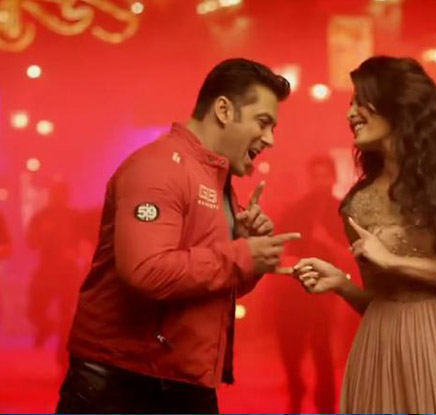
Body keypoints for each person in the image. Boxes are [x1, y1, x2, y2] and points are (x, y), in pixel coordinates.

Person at [55, 58, 300, 414]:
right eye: (263, 123)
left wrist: (246, 253)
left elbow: (210, 285)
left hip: (179, 380)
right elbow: (146, 271)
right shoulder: (158, 168)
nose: (270, 139)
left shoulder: (215, 179)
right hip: (123, 383)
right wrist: (242, 255)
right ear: (223, 110)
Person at [292, 56, 436, 414]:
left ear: (397, 102)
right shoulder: (358, 204)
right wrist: (342, 284)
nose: (350, 114)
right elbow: (382, 301)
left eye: (360, 101)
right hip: (383, 351)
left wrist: (395, 261)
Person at [273, 155, 349, 414]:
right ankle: (296, 389)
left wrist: (327, 242)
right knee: (290, 345)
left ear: (333, 178)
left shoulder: (344, 211)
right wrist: (288, 260)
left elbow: (351, 256)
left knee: (322, 347)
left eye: (325, 176)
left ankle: (325, 403)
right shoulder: (296, 210)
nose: (320, 182)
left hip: (327, 289)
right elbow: (279, 247)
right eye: (315, 176)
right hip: (294, 288)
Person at [26, 179, 82, 371]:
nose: (58, 197)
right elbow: (31, 242)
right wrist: (42, 234)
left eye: (61, 194)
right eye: (55, 194)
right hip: (47, 268)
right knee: (34, 308)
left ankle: (63, 357)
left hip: (68, 270)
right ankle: (45, 325)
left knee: (67, 315)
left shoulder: (75, 217)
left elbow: (85, 241)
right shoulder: (42, 216)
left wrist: (75, 252)